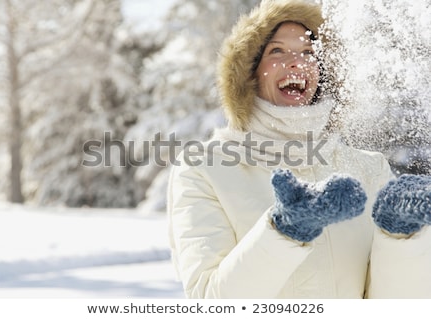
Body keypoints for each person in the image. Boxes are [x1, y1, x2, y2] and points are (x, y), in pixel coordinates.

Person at [167, 0, 431, 298]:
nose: (297, 62)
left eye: (308, 51)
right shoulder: (204, 168)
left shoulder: (369, 170)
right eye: (277, 51)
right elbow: (209, 303)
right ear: (249, 71)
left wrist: (401, 237)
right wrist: (283, 231)